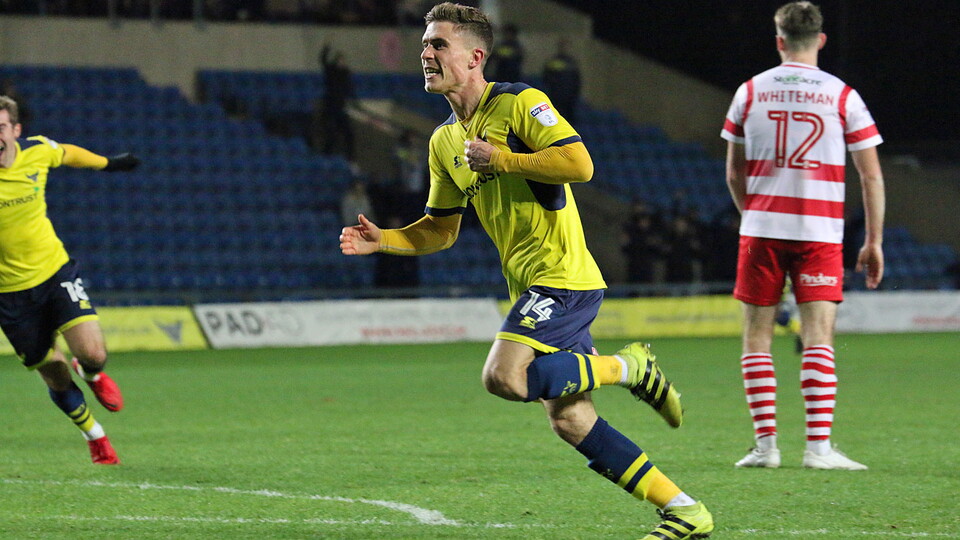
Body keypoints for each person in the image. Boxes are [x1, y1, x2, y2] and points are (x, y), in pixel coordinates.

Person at [340, 4, 713, 538]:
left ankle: (628, 368)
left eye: (438, 44)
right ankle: (686, 511)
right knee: (570, 419)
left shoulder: (519, 103)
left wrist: (503, 159)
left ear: (475, 57)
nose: (425, 53)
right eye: (424, 45)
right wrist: (386, 240)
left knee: (504, 376)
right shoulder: (443, 142)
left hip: (561, 275)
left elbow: (580, 165)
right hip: (531, 285)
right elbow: (440, 229)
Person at [721, 1, 885, 471]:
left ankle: (765, 448)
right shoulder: (842, 95)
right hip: (819, 232)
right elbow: (870, 176)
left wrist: (753, 216)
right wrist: (873, 240)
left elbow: (733, 173)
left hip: (762, 229)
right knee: (818, 336)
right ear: (821, 40)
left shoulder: (750, 92)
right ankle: (818, 448)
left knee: (757, 336)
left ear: (779, 41)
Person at [0, 95, 139, 465]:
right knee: (56, 375)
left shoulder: (36, 152)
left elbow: (69, 153)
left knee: (93, 353)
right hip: (9, 296)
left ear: (15, 130)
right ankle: (95, 435)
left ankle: (92, 374)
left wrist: (108, 163)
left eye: (0, 127)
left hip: (54, 271)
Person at [541, 37, 581, 124]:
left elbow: (576, 80)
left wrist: (574, 94)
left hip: (569, 98)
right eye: (563, 46)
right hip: (555, 96)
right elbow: (546, 78)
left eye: (567, 46)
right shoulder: (552, 62)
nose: (565, 48)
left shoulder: (572, 63)